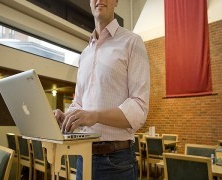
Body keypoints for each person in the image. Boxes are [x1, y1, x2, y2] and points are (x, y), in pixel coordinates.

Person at [53, 0, 150, 179]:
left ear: (116, 2)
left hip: (116, 162)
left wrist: (95, 115)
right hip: (83, 157)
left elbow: (139, 108)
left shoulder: (132, 42)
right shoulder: (85, 54)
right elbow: (79, 103)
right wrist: (66, 118)